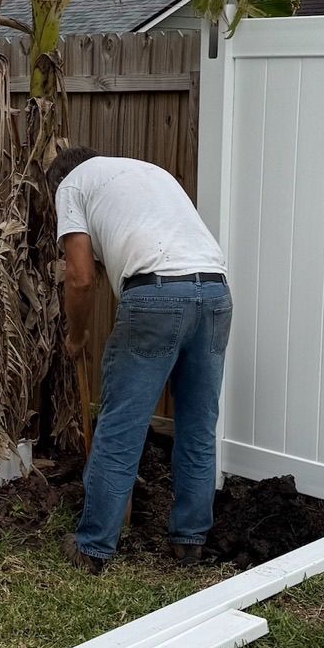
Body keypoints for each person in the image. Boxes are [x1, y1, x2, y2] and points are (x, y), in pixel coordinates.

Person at [50, 146, 232, 569]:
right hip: (216, 292)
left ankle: (93, 547)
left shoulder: (71, 184)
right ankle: (189, 541)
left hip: (157, 295)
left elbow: (79, 277)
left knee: (121, 425)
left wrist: (76, 337)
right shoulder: (148, 170)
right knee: (199, 425)